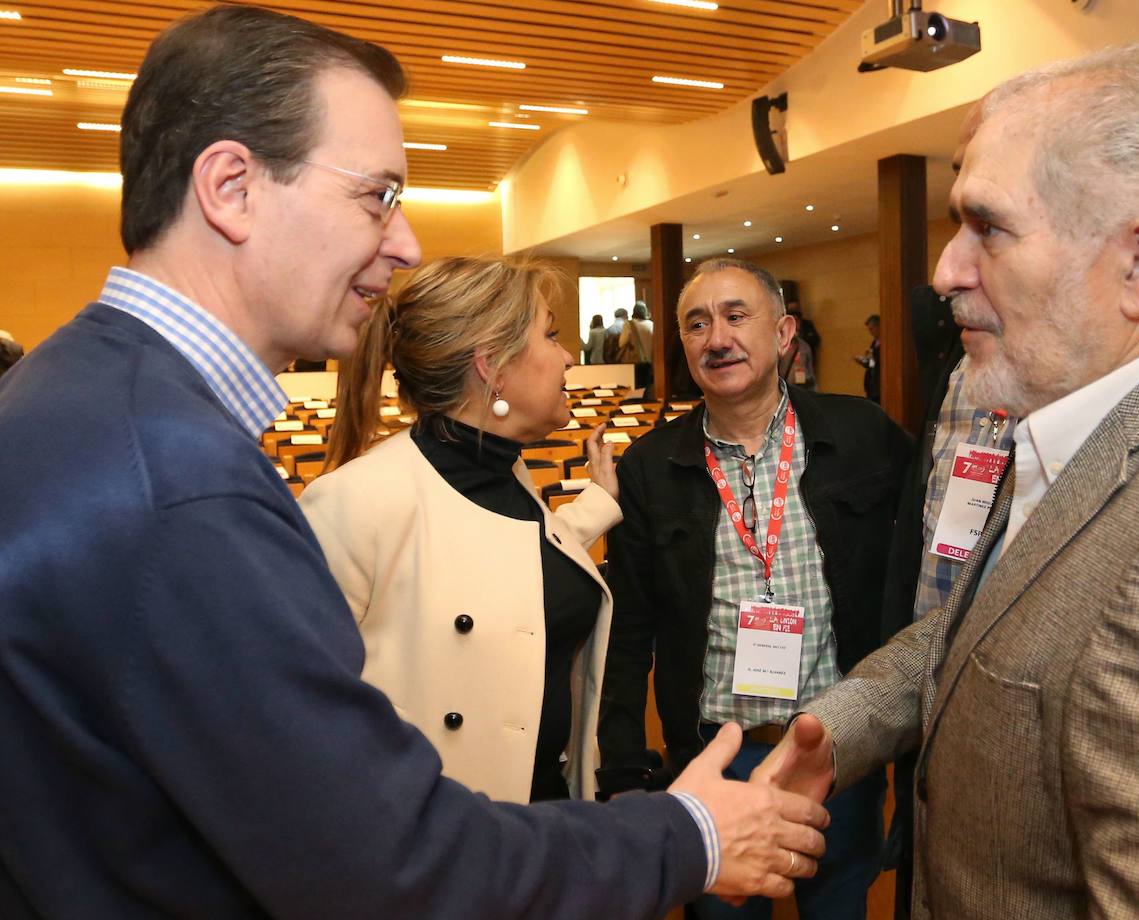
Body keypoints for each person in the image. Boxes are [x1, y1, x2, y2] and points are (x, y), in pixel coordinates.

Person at [0, 6, 829, 917]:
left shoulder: (74, 392)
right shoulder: (179, 481)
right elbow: (386, 863)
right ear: (231, 188)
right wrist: (693, 833)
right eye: (377, 196)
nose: (405, 244)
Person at [759, 39, 1139, 919]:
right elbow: (995, 624)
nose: (944, 271)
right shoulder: (1097, 418)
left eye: (989, 228)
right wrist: (843, 728)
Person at [599, 257, 912, 919]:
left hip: (836, 751)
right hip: (715, 760)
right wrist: (624, 771)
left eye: (736, 316)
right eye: (696, 323)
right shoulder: (650, 468)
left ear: (784, 333)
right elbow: (626, 633)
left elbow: (921, 571)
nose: (717, 338)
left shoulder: (863, 436)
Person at [300, 256, 622, 804]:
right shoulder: (354, 502)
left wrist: (595, 505)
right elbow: (299, 716)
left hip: (544, 817)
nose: (569, 356)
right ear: (492, 365)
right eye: (550, 334)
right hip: (442, 844)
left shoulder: (504, 470)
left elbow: (499, 564)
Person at [620, 301, 655, 392]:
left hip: (636, 361)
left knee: (637, 389)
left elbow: (621, 343)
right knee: (647, 389)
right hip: (650, 361)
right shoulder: (651, 324)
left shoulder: (629, 324)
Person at [854, 314, 880, 401]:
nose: (870, 332)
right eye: (869, 329)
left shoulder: (887, 343)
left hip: (880, 384)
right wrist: (863, 361)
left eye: (872, 329)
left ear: (879, 327)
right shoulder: (873, 343)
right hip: (872, 385)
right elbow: (872, 364)